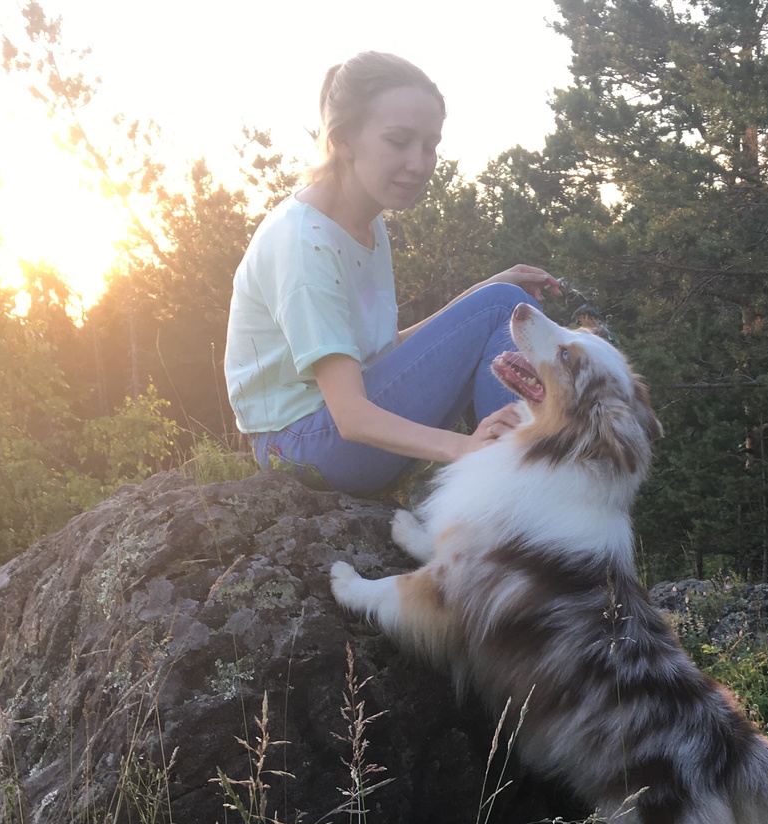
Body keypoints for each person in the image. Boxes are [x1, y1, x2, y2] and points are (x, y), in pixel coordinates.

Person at [224, 51, 562, 495]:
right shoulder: (304, 242)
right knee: (503, 308)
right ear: (343, 139)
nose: (419, 164)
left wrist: (484, 291)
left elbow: (382, 351)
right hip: (303, 446)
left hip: (329, 436)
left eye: (430, 145)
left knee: (502, 305)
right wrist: (466, 449)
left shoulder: (364, 222)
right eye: (399, 141)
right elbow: (350, 414)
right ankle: (518, 494)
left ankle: (520, 490)